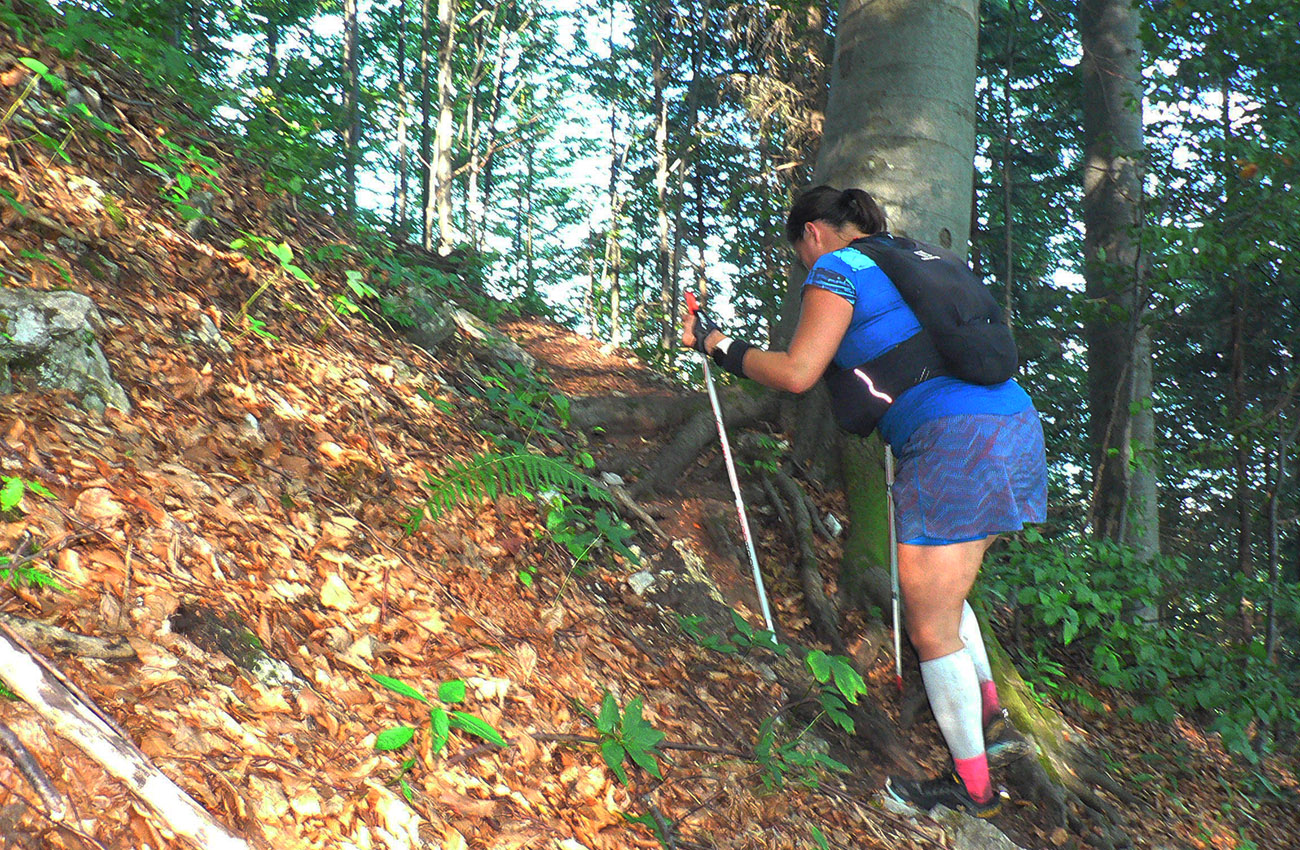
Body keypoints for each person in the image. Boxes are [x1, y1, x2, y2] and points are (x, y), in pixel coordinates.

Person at [682, 185, 1045, 818]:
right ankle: (991, 722)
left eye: (799, 253)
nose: (803, 266)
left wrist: (717, 345)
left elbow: (798, 372)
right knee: (947, 591)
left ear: (813, 234)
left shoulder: (837, 268)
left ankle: (973, 790)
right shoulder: (916, 258)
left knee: (929, 625)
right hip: (1013, 425)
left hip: (952, 439)